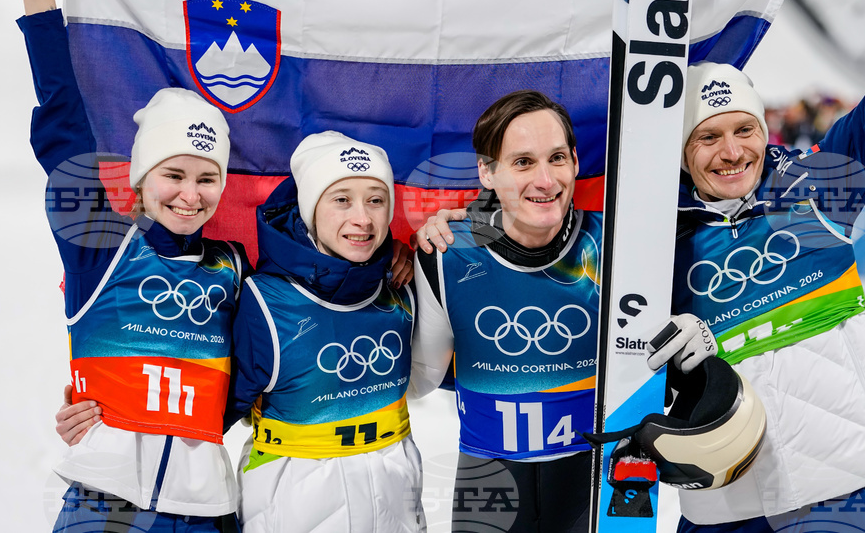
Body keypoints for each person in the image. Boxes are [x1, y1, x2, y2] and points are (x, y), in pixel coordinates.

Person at [653, 0, 865, 532]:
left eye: (744, 130)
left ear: (765, 130)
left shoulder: (824, 181)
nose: (731, 151)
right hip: (723, 484)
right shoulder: (652, 231)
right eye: (708, 138)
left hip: (835, 481)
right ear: (682, 152)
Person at [14, 0, 248, 532]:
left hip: (207, 510)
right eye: (173, 176)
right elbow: (63, 121)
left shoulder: (235, 267)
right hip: (104, 503)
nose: (190, 195)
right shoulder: (102, 248)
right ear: (141, 184)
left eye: (207, 179)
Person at [409, 90, 603, 532]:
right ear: (487, 172)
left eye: (557, 158)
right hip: (488, 485)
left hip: (589, 482)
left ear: (575, 162)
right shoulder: (446, 253)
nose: (545, 179)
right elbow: (420, 381)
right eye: (522, 162)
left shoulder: (612, 243)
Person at [228, 131, 425, 532]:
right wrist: (105, 408)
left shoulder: (401, 285)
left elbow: (470, 364)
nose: (363, 219)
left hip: (396, 506)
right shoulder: (263, 301)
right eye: (341, 200)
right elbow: (207, 414)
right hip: (292, 506)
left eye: (376, 199)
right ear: (309, 210)